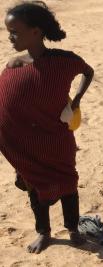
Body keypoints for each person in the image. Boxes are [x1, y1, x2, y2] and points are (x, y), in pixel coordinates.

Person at [0, 1, 94, 254]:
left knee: (68, 183)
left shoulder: (64, 61)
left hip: (56, 137)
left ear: (36, 32)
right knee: (34, 185)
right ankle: (44, 232)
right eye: (8, 32)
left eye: (15, 32)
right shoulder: (14, 65)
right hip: (27, 144)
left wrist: (75, 103)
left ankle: (73, 229)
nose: (10, 37)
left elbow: (88, 72)